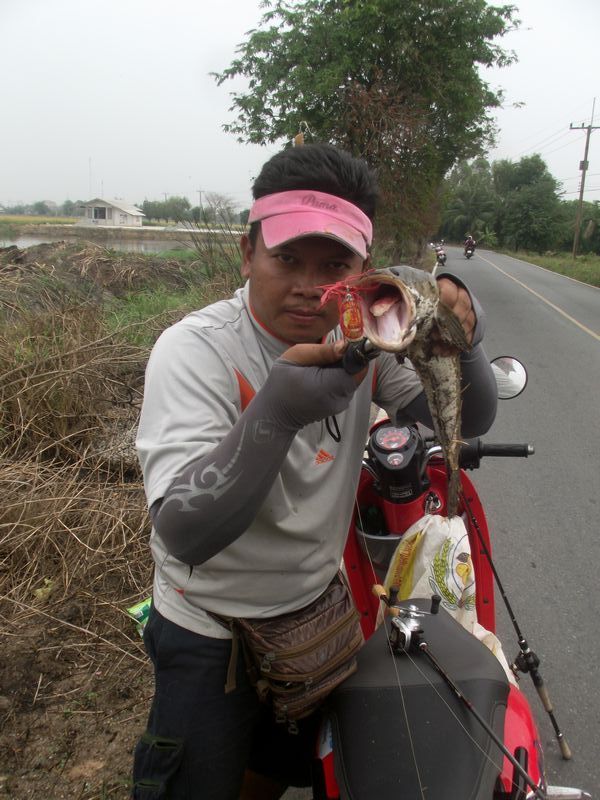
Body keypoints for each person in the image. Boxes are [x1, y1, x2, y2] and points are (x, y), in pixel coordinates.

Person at [131, 143, 498, 800]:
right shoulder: (196, 352)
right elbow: (185, 532)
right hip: (211, 629)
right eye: (286, 259)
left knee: (275, 774)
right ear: (248, 254)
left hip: (315, 615)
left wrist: (457, 342)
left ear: (363, 269)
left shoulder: (367, 342)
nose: (308, 284)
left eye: (335, 264)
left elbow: (467, 419)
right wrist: (276, 411)